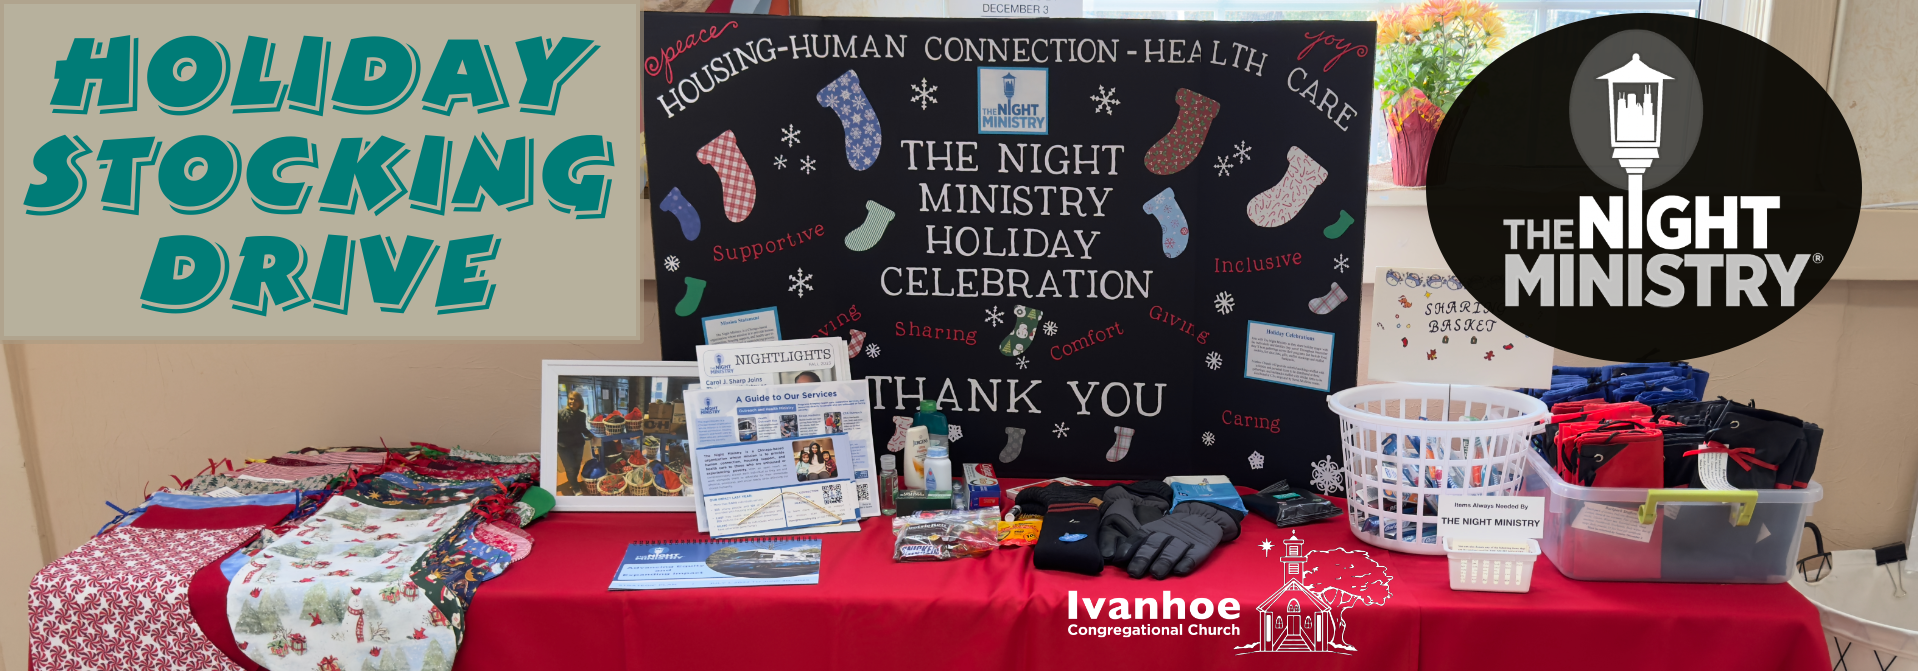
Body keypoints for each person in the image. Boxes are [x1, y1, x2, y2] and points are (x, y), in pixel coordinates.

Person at [556, 391, 593, 495]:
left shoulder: (582, 415)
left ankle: (573, 481)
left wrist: (592, 436)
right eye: (571, 398)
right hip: (564, 445)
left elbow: (583, 429)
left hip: (578, 444)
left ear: (580, 402)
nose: (572, 401)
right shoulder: (560, 414)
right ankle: (576, 488)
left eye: (575, 399)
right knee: (570, 468)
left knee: (576, 466)